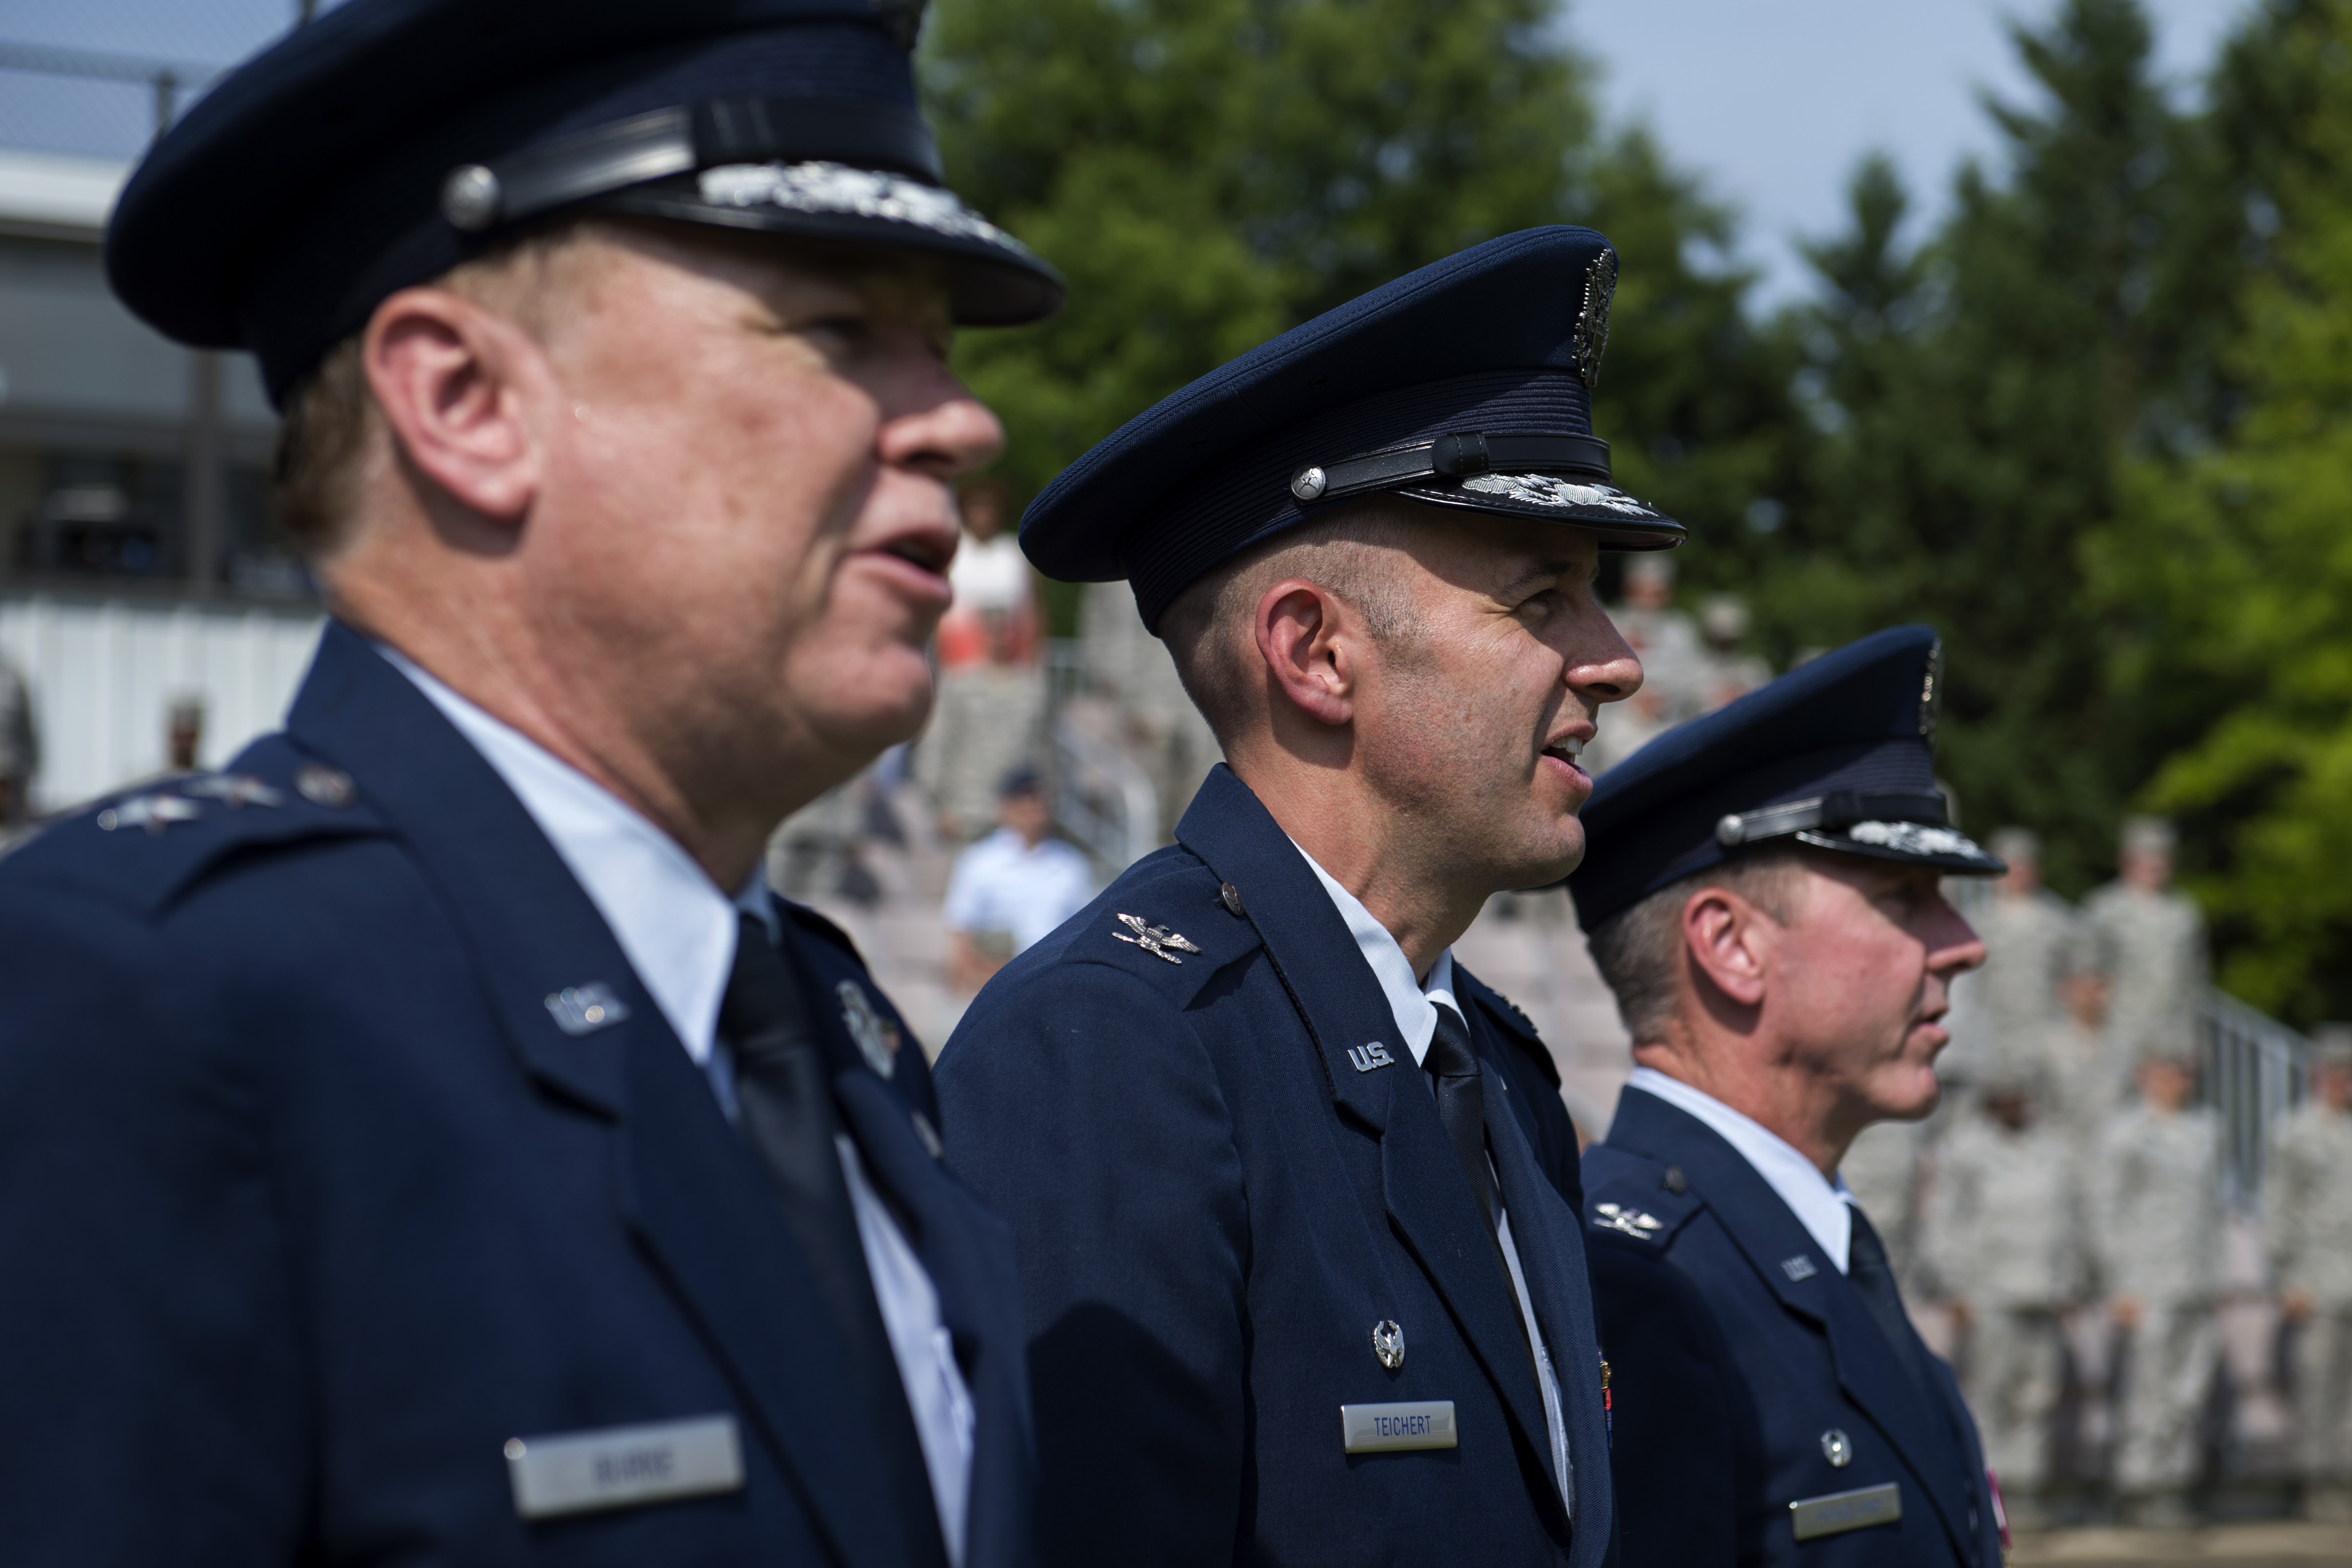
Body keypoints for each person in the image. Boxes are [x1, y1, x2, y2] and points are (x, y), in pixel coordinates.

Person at [0, 1, 1064, 1562]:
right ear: (466, 405)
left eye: (942, 350)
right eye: (841, 330)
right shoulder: (144, 1004)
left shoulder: (824, 1029)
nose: (961, 418)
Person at [936, 228, 1681, 1566]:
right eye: (1542, 598)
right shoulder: (1115, 1049)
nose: (1616, 662)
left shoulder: (1493, 1065)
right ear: (1315, 653)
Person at [1571, 625, 2009, 1567]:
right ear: (1729, 946)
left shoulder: (1808, 1238)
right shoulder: (1633, 1283)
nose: (1961, 943)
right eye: (1901, 897)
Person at [1918, 1076, 2083, 1531]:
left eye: (2023, 1094)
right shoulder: (1966, 1150)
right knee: (1990, 1397)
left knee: (2037, 1397)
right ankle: (1991, 1494)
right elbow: (1945, 1219)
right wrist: (1954, 1286)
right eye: (2007, 1094)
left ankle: (2027, 1492)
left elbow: (2067, 1219)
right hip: (1988, 1294)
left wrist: (2069, 1282)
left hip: (2042, 1292)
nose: (2016, 1103)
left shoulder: (2051, 1148)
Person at [2091, 1049, 2222, 1528]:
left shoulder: (2205, 1129)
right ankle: (2142, 1487)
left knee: (2189, 1390)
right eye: (2167, 1070)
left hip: (2195, 1279)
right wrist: (2118, 1285)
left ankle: (2177, 1484)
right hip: (2147, 1281)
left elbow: (2212, 1211)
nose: (2176, 1080)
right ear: (2144, 1074)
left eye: (2184, 1071)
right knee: (2149, 1391)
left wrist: (2218, 1275)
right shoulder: (2127, 1134)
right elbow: (2108, 1212)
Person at [2265, 1026, 2352, 1523]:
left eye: (2349, 1072)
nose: (2343, 1080)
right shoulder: (2295, 1132)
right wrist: (2287, 1279)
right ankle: (2318, 1483)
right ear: (2316, 1075)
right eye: (2335, 1071)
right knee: (2319, 1386)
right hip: (2317, 1281)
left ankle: (2345, 1475)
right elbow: (2279, 1209)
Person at [1950, 827, 2082, 1099]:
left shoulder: (2059, 922)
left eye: (2025, 866)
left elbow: (2076, 984)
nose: (2017, 874)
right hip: (1986, 1037)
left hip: (2042, 1035)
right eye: (2010, 865)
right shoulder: (1975, 922)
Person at [942, 769, 1093, 994]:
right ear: (1006, 806)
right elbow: (961, 940)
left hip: (1056, 985)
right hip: (994, 985)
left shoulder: (1070, 863)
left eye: (1040, 798)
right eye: (1024, 798)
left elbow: (1085, 932)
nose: (1033, 806)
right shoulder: (979, 861)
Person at [2084, 817, 2207, 1081]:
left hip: (2171, 1034)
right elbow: (2086, 976)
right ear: (2127, 860)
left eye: (2163, 857)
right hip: (2119, 1032)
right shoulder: (2105, 909)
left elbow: (2195, 981)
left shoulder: (2184, 913)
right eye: (2147, 857)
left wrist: (2193, 1041)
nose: (2156, 864)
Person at [916, 605, 1049, 845]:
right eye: (996, 629)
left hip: (1018, 816)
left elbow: (1044, 751)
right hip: (967, 811)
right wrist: (938, 804)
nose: (1003, 637)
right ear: (984, 633)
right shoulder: (960, 685)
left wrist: (1044, 805)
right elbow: (937, 744)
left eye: (1008, 630)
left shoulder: (1032, 688)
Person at [937, 476, 1036, 672]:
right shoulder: (952, 552)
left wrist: (1033, 659)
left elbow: (1031, 610)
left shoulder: (1014, 553)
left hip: (1009, 663)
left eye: (989, 506)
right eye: (977, 506)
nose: (983, 514)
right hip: (959, 662)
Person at [1695, 592, 1773, 712]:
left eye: (1731, 640)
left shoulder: (1756, 669)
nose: (1727, 646)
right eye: (1722, 641)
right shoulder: (1695, 673)